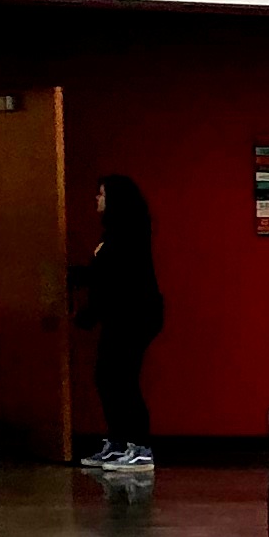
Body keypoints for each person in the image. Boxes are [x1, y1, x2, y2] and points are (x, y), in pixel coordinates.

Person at [72, 176, 164, 474]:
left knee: (122, 380)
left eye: (100, 194)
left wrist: (89, 309)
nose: (96, 199)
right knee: (108, 378)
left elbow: (114, 279)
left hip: (134, 315)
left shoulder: (127, 233)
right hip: (122, 315)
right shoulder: (114, 234)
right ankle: (119, 441)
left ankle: (140, 448)